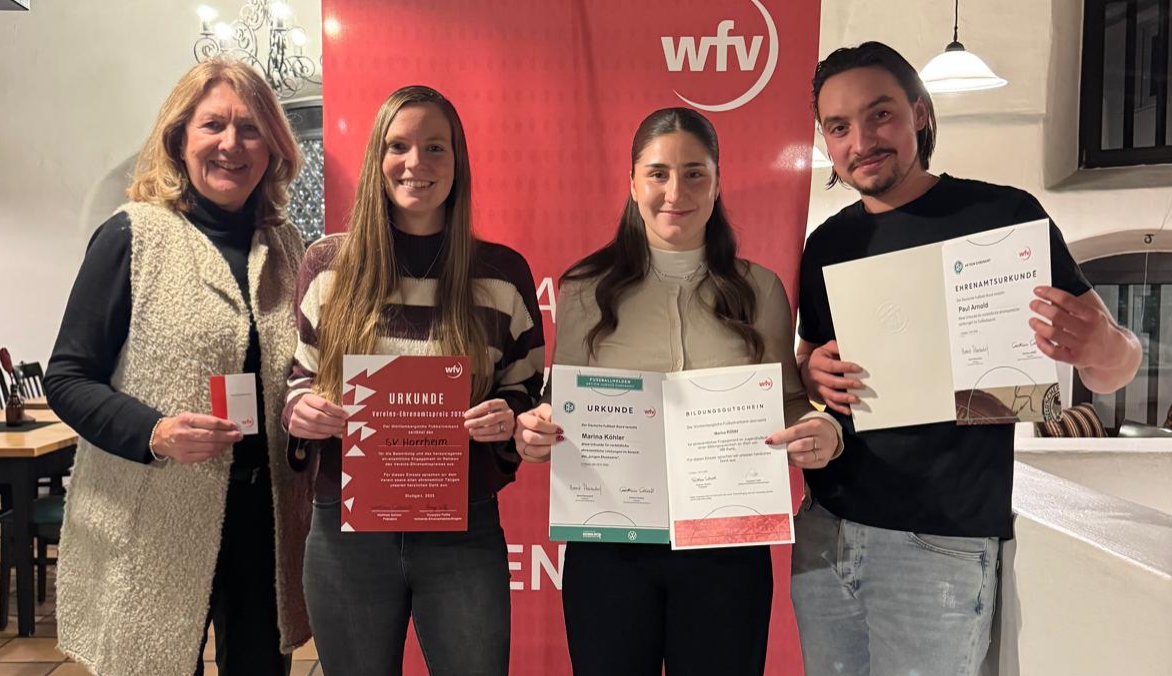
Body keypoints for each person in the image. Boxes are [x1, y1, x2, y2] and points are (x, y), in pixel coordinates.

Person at [792, 41, 1143, 676]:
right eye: (838, 127)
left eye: (880, 114)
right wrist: (810, 370)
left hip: (939, 546)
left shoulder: (1001, 215)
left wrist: (1102, 347)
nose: (861, 141)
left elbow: (1115, 363)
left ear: (920, 113)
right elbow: (811, 358)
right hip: (826, 530)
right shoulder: (827, 243)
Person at [513, 107, 843, 676]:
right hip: (610, 546)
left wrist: (824, 428)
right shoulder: (586, 289)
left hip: (727, 547)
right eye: (658, 173)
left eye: (694, 174)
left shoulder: (759, 289)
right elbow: (559, 400)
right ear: (632, 182)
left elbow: (788, 400)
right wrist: (536, 430)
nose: (675, 192)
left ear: (717, 183)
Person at [44, 58, 313, 676]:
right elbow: (68, 377)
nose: (231, 144)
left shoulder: (287, 246)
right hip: (154, 516)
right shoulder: (130, 236)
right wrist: (155, 431)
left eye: (250, 128)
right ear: (179, 138)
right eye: (213, 124)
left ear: (273, 146)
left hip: (263, 520)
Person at [283, 85, 545, 676]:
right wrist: (303, 410)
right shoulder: (326, 265)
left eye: (435, 147)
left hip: (461, 530)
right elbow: (301, 378)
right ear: (377, 158)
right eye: (398, 146)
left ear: (458, 162)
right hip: (346, 531)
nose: (415, 163)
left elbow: (525, 390)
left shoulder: (502, 274)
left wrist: (506, 415)